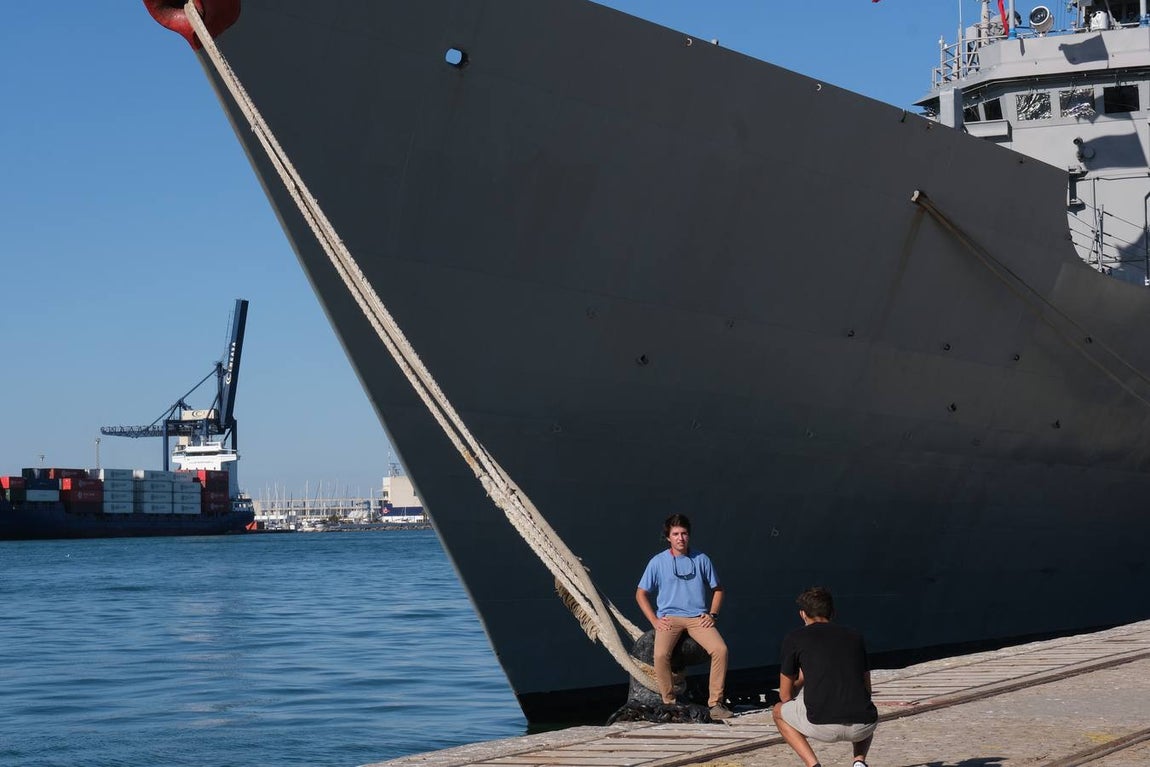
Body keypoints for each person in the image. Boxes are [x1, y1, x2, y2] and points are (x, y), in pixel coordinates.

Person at [635, 513, 731, 720]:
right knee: (660, 655)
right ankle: (669, 702)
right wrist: (654, 620)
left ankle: (716, 703)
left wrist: (712, 614)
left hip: (697, 617)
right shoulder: (658, 562)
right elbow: (641, 593)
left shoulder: (701, 559)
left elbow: (718, 589)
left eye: (684, 533)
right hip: (670, 617)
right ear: (668, 537)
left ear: (689, 536)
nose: (680, 538)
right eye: (676, 534)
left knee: (720, 650)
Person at [773, 587, 878, 767]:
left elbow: (785, 696)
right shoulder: (855, 637)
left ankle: (813, 765)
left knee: (778, 711)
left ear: (802, 614)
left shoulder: (795, 638)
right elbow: (866, 689)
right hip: (863, 727)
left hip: (821, 725)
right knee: (864, 707)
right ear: (833, 613)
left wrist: (804, 679)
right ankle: (859, 761)